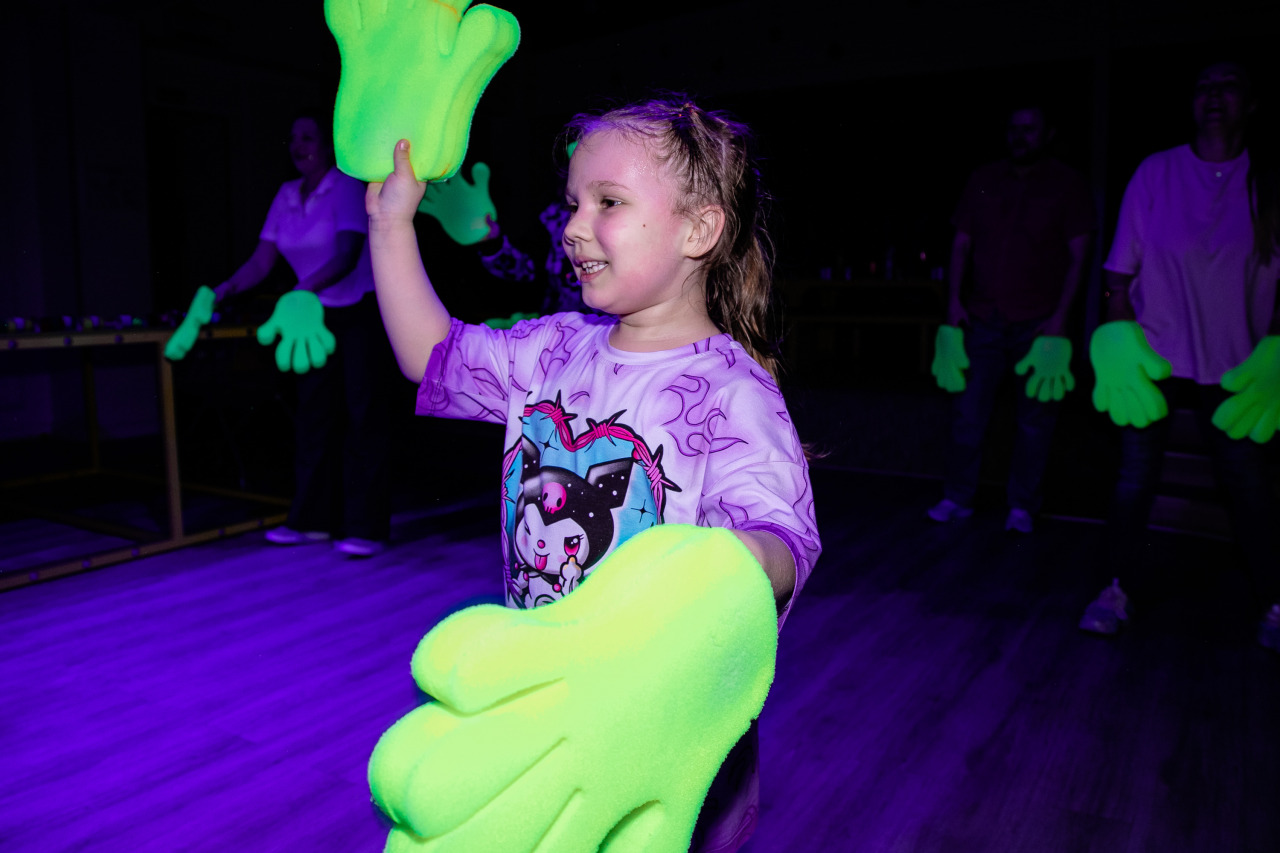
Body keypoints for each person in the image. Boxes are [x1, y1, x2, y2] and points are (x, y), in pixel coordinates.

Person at [367, 96, 821, 851]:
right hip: (543, 707)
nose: (575, 226)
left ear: (699, 229)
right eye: (573, 202)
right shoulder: (550, 349)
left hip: (667, 752)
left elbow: (782, 542)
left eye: (609, 202)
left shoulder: (731, 391)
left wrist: (727, 561)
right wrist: (388, 227)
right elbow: (429, 354)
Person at [1080, 62, 1280, 652]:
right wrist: (1117, 337)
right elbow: (1118, 274)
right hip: (1154, 357)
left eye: (1228, 85)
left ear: (1251, 102)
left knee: (1247, 484)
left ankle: (1273, 599)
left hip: (1239, 363)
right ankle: (1115, 589)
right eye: (1203, 86)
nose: (1214, 95)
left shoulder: (1269, 181)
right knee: (1134, 478)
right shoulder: (1156, 172)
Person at [212, 111, 395, 556]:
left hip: (356, 313)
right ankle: (311, 520)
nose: (299, 145)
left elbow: (349, 254)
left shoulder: (346, 185)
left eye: (308, 137)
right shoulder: (286, 194)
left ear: (328, 144)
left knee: (360, 417)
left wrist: (298, 291)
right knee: (313, 417)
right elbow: (261, 261)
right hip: (310, 317)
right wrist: (222, 291)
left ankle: (364, 528)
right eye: (292, 138)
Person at [928, 105, 1095, 533]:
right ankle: (958, 497)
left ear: (1047, 133)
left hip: (1039, 323)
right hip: (983, 315)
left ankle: (1023, 504)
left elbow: (1079, 257)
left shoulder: (1067, 184)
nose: (1022, 136)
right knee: (968, 412)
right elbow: (961, 244)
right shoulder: (984, 179)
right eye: (1015, 128)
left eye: (1031, 128)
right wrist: (954, 305)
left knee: (1035, 419)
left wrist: (1061, 318)